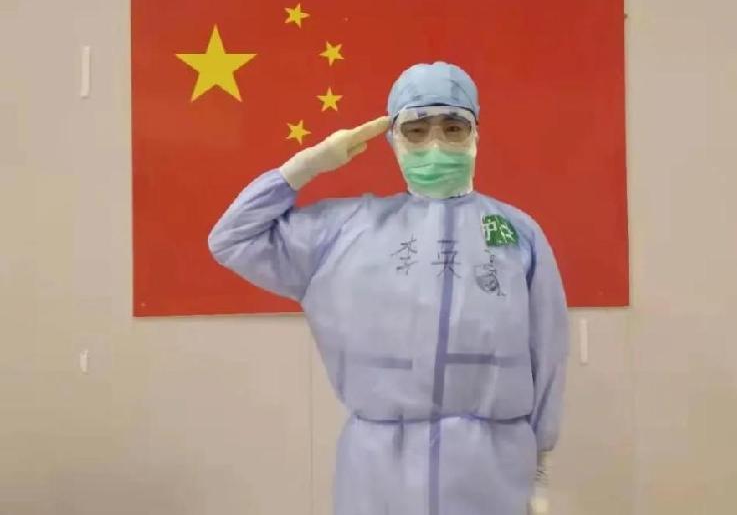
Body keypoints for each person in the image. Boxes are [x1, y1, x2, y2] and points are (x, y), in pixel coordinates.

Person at [208, 61, 569, 515]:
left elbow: (547, 348)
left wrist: (539, 465)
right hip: (379, 475)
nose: (435, 144)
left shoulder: (515, 234)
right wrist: (307, 165)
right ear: (392, 139)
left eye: (453, 128)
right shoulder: (346, 230)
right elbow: (232, 239)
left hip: (490, 473)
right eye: (416, 130)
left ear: (475, 134)